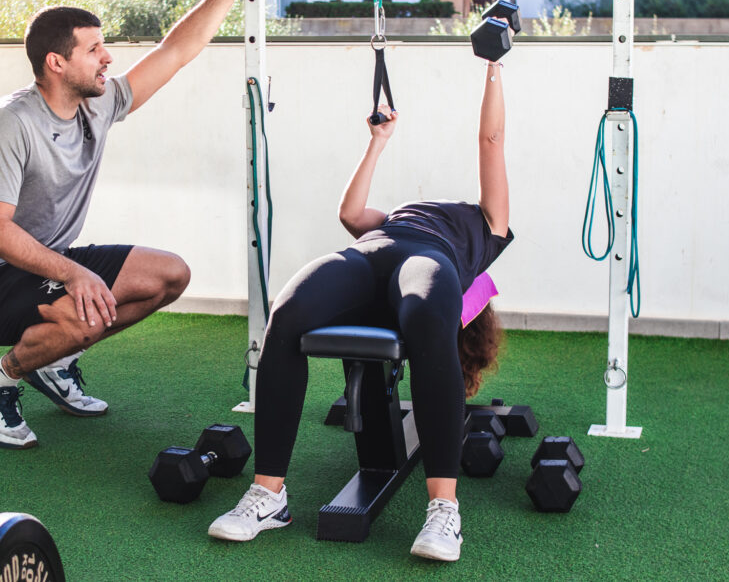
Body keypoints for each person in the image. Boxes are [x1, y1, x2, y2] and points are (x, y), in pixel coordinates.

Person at [0, 0, 271, 450]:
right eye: (94, 49)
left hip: (46, 264)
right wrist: (73, 273)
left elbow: (175, 51)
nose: (108, 58)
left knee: (169, 275)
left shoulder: (99, 102)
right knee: (83, 313)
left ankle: (53, 361)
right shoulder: (8, 123)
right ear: (56, 62)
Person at [207, 60, 513, 562]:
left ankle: (443, 510)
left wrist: (494, 66)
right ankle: (269, 495)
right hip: (371, 250)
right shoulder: (396, 215)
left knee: (429, 319)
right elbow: (350, 214)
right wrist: (377, 142)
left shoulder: (489, 225)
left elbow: (491, 141)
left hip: (428, 262)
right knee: (286, 314)